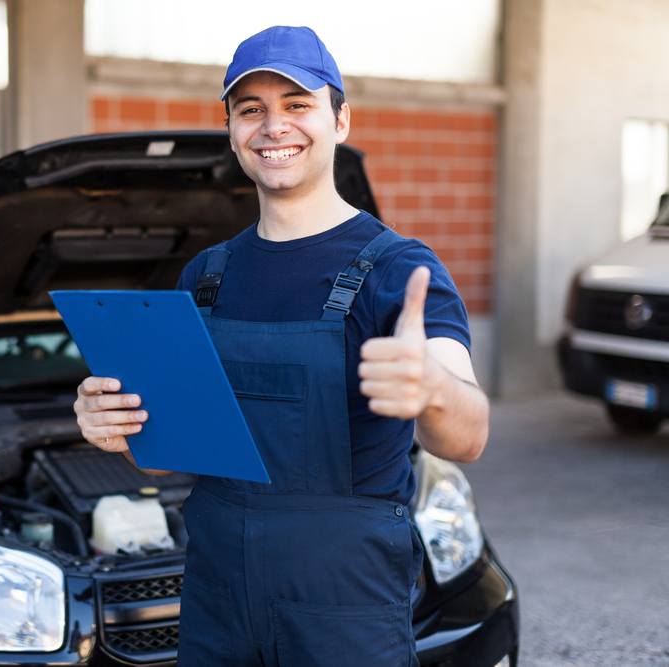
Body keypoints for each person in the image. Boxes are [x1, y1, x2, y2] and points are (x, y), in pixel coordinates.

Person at [73, 25, 489, 667]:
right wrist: (117, 426)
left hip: (343, 605)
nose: (273, 126)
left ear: (340, 120)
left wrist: (433, 390)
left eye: (298, 104)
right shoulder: (206, 277)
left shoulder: (398, 269)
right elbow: (165, 459)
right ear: (232, 130)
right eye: (251, 109)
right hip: (216, 599)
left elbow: (468, 438)